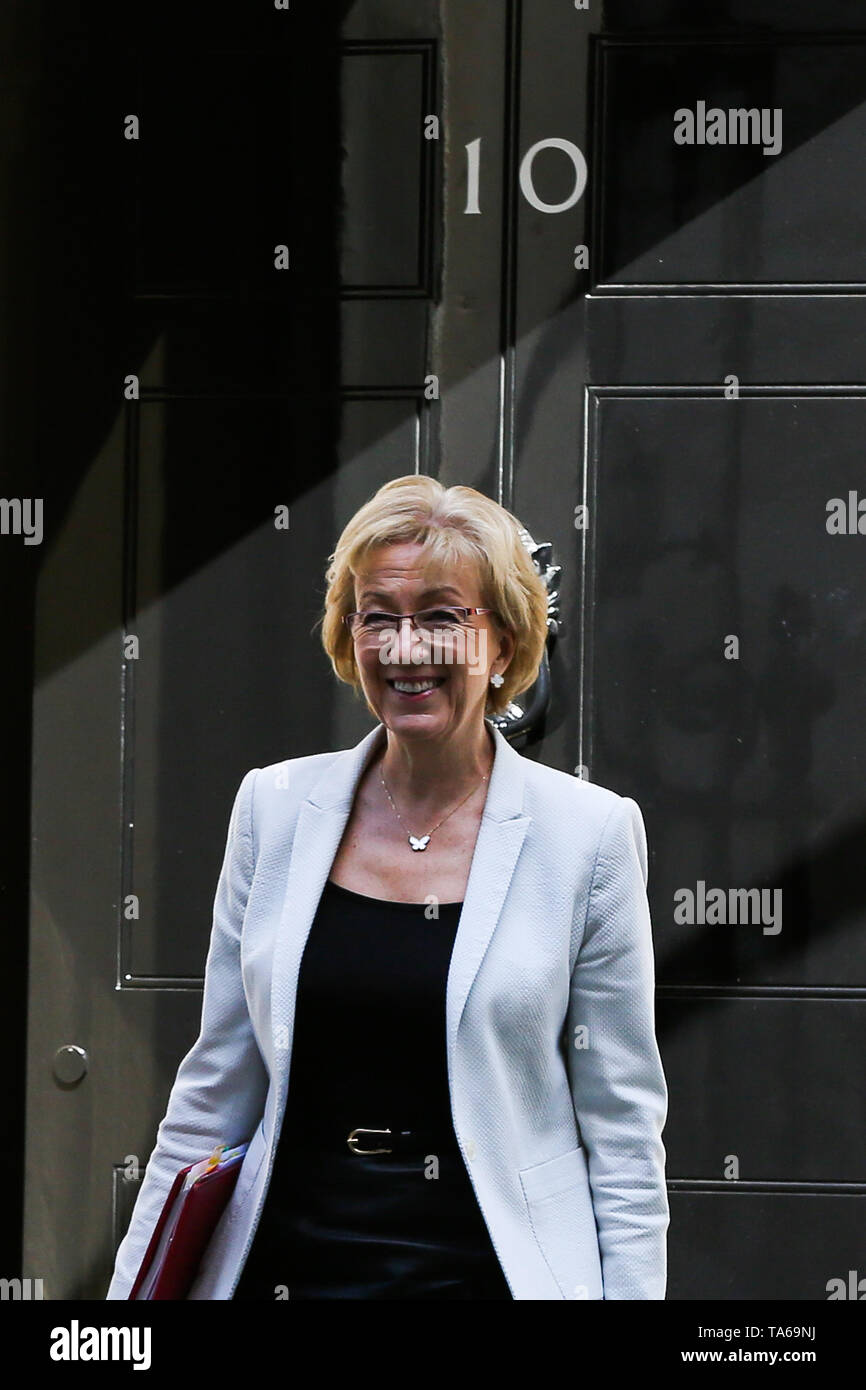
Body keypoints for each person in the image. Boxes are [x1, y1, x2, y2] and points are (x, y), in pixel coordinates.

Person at [106, 474, 669, 1300]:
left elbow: (623, 1137)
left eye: (443, 618)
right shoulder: (274, 807)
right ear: (349, 635)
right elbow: (212, 1094)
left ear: (505, 646)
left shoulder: (588, 837)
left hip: (489, 1280)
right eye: (378, 615)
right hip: (281, 1273)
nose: (407, 649)